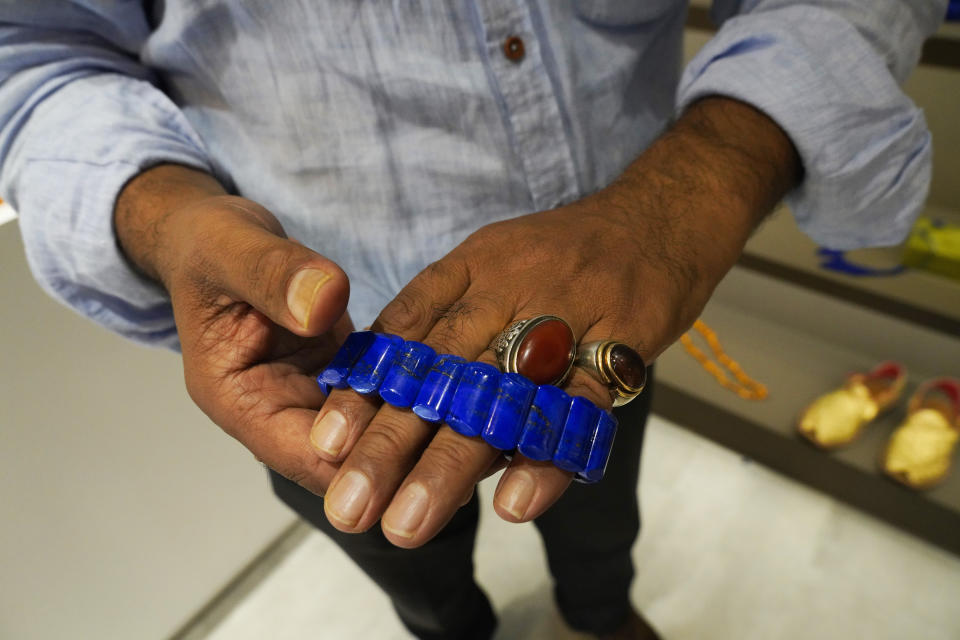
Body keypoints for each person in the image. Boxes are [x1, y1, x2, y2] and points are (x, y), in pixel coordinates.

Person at [0, 1, 943, 638]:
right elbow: (33, 52)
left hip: (596, 336)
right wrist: (164, 213)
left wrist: (686, 196)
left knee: (598, 523)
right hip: (320, 356)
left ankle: (601, 613)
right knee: (409, 561)